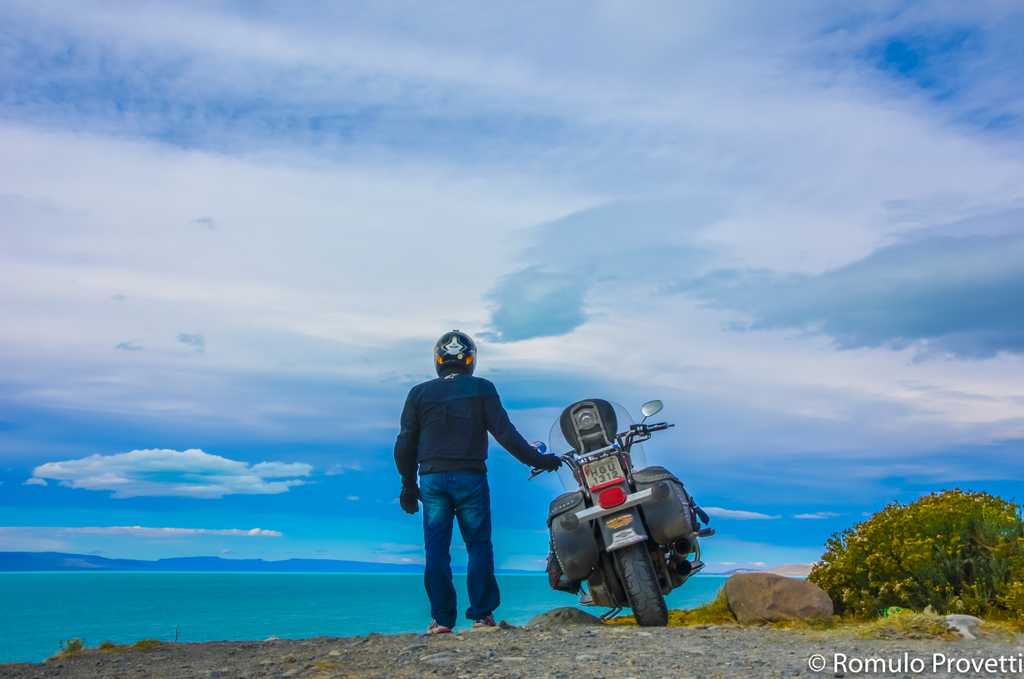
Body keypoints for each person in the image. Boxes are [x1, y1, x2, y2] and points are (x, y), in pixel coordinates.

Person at [394, 330, 562, 634]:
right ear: (470, 360)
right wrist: (541, 461)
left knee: (436, 551)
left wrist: (407, 485)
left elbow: (405, 442)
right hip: (471, 479)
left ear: (438, 361)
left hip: (431, 480)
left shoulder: (418, 394)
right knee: (478, 546)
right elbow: (506, 434)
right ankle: (482, 616)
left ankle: (442, 621)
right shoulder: (482, 388)